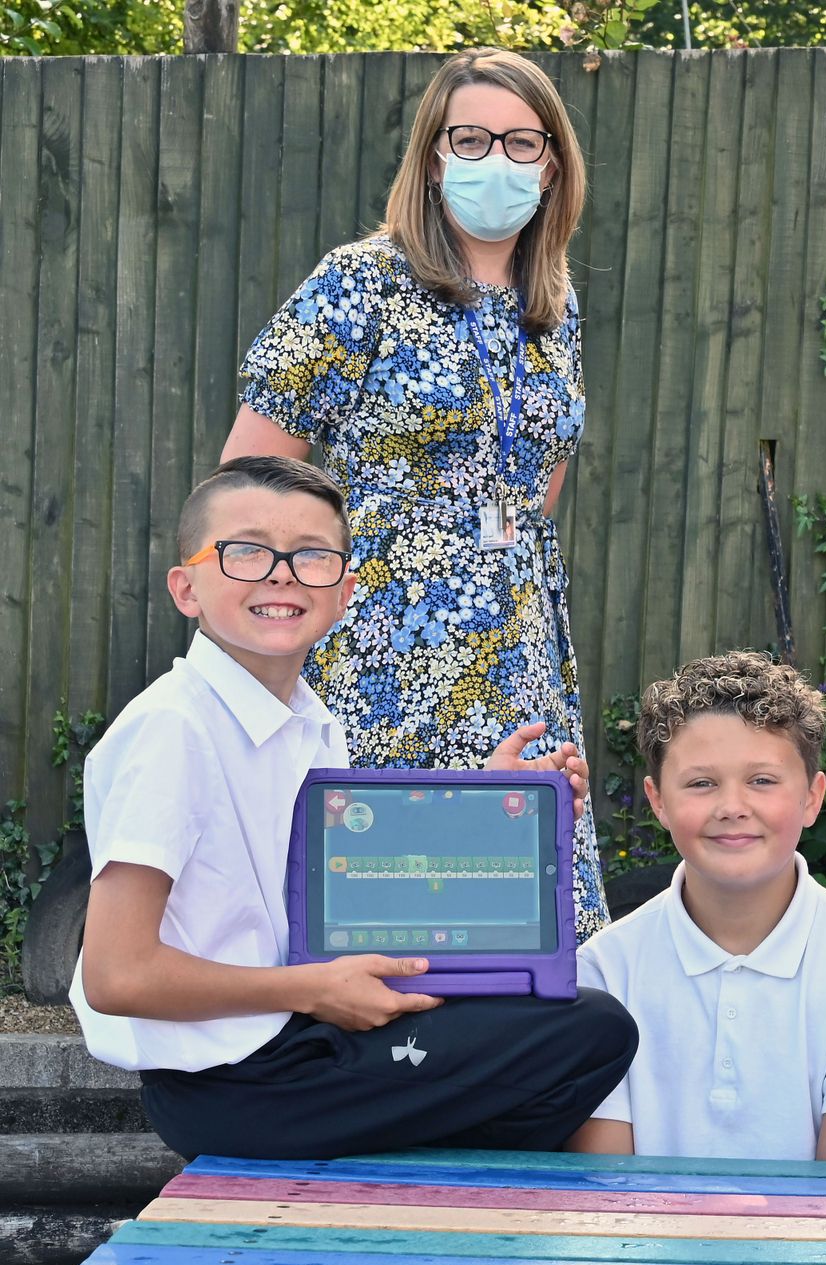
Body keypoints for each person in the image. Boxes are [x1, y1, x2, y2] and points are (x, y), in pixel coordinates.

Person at [70, 457, 637, 1161]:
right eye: (246, 552)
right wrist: (315, 990)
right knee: (590, 1033)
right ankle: (398, 1201)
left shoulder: (308, 721)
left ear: (345, 592)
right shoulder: (173, 729)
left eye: (311, 556)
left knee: (572, 1019)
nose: (280, 573)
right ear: (186, 588)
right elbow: (117, 975)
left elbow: (349, 884)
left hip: (300, 1035)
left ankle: (393, 1190)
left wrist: (492, 805)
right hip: (239, 1088)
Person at [218, 49, 608, 939]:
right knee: (384, 913)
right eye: (469, 137)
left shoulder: (554, 302)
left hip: (519, 644)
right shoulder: (361, 283)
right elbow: (248, 487)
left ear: (552, 165)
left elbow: (537, 479)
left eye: (520, 141)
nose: (494, 158)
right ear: (434, 155)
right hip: (385, 645)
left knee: (516, 920)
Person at [566, 652, 826, 1160]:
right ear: (658, 800)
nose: (732, 806)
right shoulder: (604, 969)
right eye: (702, 783)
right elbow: (607, 1184)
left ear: (813, 797)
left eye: (763, 780)